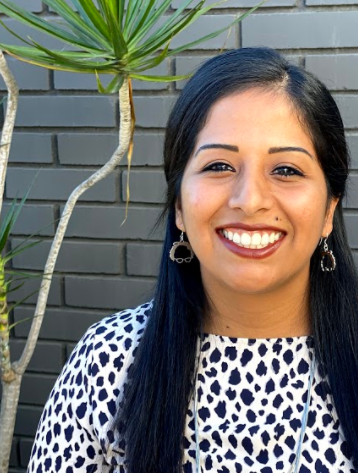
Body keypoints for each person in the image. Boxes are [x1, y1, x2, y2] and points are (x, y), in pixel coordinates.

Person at [27, 47, 358, 473]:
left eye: (287, 170)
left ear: (329, 209)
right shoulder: (109, 361)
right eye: (219, 165)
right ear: (179, 205)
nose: (250, 200)